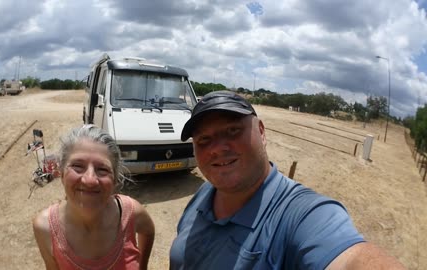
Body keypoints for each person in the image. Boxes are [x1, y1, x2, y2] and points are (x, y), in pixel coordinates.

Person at [169, 91, 405, 269]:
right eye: (204, 140)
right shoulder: (204, 193)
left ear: (261, 132)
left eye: (232, 131)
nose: (217, 148)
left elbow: (350, 258)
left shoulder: (301, 215)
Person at [33, 125, 155, 270]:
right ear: (62, 173)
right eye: (78, 166)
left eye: (102, 169)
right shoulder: (45, 227)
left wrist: (143, 266)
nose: (90, 180)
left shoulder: (132, 213)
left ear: (115, 180)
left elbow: (148, 231)